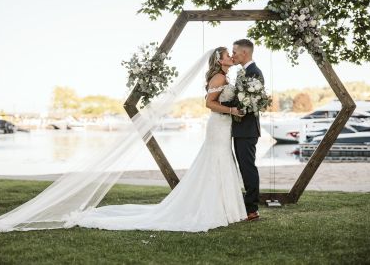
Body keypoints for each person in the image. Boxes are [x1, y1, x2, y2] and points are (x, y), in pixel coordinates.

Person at [65, 47, 247, 232]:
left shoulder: (226, 77)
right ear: (219, 61)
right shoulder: (219, 78)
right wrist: (232, 110)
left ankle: (224, 208)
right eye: (227, 55)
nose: (231, 57)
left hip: (224, 125)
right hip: (218, 125)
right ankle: (216, 209)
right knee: (215, 161)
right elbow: (209, 103)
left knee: (221, 161)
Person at [221, 39, 264, 221]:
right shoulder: (243, 72)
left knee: (247, 168)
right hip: (239, 128)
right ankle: (244, 206)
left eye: (235, 51)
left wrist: (221, 103)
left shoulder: (254, 73)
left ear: (244, 53)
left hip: (247, 129)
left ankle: (252, 209)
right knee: (243, 167)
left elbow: (247, 103)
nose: (233, 55)